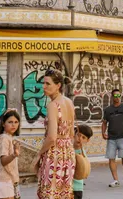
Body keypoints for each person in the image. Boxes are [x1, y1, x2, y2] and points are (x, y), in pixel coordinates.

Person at [33, 68, 75, 199]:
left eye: (47, 84)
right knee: (63, 194)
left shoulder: (53, 105)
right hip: (68, 153)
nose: (43, 86)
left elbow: (52, 137)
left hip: (54, 154)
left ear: (58, 86)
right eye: (43, 83)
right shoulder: (69, 102)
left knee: (49, 194)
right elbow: (72, 132)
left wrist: (39, 154)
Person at [100, 88, 123, 187]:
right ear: (112, 97)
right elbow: (104, 123)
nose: (117, 97)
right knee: (111, 158)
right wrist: (103, 133)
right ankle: (116, 180)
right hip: (111, 138)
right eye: (115, 96)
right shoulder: (108, 110)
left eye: (119, 95)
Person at [0, 110, 21, 199]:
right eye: (10, 122)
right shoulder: (4, 138)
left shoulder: (8, 137)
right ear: (3, 124)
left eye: (16, 122)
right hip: (3, 182)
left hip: (4, 181)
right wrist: (14, 154)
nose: (13, 125)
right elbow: (3, 161)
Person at [73, 124, 92, 199]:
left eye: (83, 137)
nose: (80, 139)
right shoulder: (69, 149)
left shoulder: (82, 154)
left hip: (76, 188)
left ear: (87, 140)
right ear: (74, 135)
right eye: (78, 135)